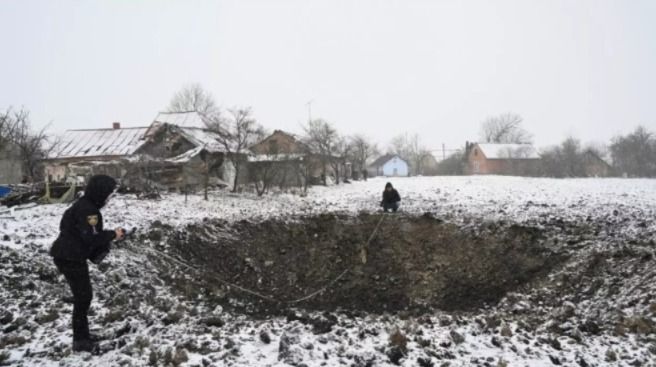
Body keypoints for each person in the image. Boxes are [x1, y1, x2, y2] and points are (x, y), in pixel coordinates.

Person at [50, 175, 125, 353]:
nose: (109, 198)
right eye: (108, 193)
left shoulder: (83, 205)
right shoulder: (89, 211)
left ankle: (83, 336)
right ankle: (81, 342)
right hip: (70, 257)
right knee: (83, 298)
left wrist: (109, 236)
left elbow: (78, 232)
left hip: (68, 255)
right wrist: (113, 235)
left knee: (82, 297)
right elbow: (91, 237)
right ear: (101, 192)